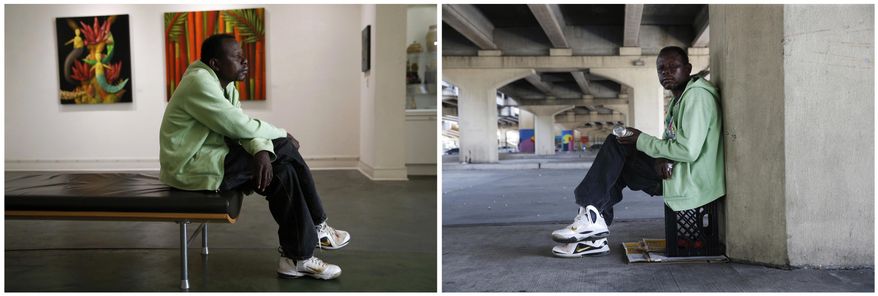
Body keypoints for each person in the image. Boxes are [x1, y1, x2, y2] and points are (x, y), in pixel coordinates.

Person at [159, 34, 350, 279]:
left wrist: (261, 150)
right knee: (285, 146)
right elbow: (239, 124)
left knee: (282, 171)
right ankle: (318, 225)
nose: (245, 61)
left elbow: (241, 127)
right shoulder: (199, 82)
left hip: (214, 157)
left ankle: (296, 258)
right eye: (237, 57)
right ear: (216, 64)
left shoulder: (226, 86)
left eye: (243, 56)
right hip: (190, 167)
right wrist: (281, 135)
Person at [550, 46, 725, 258]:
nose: (666, 73)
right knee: (618, 164)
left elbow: (688, 151)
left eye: (673, 67)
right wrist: (661, 155)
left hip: (691, 178)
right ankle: (595, 234)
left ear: (687, 69)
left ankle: (591, 217)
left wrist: (641, 138)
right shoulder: (680, 99)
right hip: (677, 171)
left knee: (618, 143)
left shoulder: (696, 97)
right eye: (661, 69)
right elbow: (673, 142)